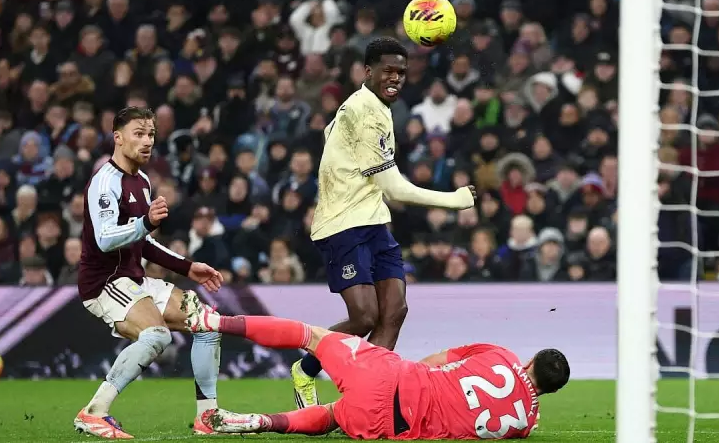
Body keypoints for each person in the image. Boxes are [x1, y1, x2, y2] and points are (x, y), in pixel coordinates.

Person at [291, 36, 477, 408]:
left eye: (401, 72)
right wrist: (454, 200)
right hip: (342, 225)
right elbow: (394, 188)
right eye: (388, 71)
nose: (395, 78)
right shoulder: (364, 111)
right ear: (368, 71)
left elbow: (332, 134)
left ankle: (366, 398)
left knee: (394, 311)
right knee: (363, 317)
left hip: (373, 223)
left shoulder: (371, 107)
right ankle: (305, 368)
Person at [73, 107, 228, 439]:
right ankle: (94, 412)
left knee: (206, 321)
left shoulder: (141, 181)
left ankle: (208, 417)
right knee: (157, 336)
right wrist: (145, 222)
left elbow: (141, 241)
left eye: (151, 134)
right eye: (138, 133)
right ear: (118, 137)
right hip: (105, 282)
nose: (147, 141)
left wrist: (187, 267)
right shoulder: (105, 181)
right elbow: (104, 239)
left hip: (134, 278)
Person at [198, 315, 570, 439]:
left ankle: (217, 322)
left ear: (530, 359)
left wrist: (401, 372)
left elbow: (440, 360)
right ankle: (266, 422)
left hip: (389, 377)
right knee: (331, 417)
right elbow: (523, 419)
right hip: (390, 425)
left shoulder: (501, 354)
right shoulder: (524, 424)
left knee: (311, 336)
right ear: (549, 392)